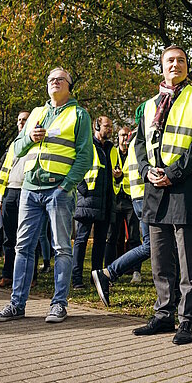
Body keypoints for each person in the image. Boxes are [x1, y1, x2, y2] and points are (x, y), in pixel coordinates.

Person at [0, 66, 92, 324]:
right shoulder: (37, 113)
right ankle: (17, 304)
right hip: (30, 188)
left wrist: (65, 186)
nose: (55, 82)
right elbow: (16, 148)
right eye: (51, 79)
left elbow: (85, 156)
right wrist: (29, 139)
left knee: (61, 248)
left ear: (69, 86)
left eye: (60, 79)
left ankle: (59, 304)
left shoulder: (78, 115)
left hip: (58, 190)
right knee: (22, 246)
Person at [131, 45, 192, 345]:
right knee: (160, 257)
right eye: (170, 61)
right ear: (162, 67)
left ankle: (187, 319)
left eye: (180, 60)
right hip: (154, 186)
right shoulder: (149, 104)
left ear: (187, 67)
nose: (175, 65)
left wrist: (173, 172)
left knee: (187, 259)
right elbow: (139, 143)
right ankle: (164, 314)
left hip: (185, 184)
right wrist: (145, 171)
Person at [92, 126, 149, 306]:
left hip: (138, 197)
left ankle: (174, 293)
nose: (125, 137)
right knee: (151, 245)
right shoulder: (141, 141)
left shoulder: (135, 143)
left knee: (146, 242)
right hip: (140, 197)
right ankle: (108, 272)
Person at [72, 115, 115, 289]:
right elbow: (75, 166)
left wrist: (118, 178)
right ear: (97, 126)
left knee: (100, 242)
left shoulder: (111, 149)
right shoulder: (86, 144)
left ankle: (96, 276)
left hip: (105, 201)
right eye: (107, 126)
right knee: (81, 240)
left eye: (111, 126)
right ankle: (76, 279)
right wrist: (83, 190)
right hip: (87, 200)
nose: (110, 129)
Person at [0, 110, 30, 288]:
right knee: (8, 238)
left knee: (28, 237)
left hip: (27, 191)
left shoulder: (35, 141)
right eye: (20, 120)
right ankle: (7, 275)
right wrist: (0, 199)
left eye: (25, 120)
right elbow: (4, 171)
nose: (22, 122)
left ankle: (29, 277)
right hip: (9, 193)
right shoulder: (13, 145)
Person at [105, 125, 140, 276]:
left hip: (131, 199)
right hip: (116, 199)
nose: (124, 138)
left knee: (133, 237)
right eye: (121, 135)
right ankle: (109, 270)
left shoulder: (135, 151)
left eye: (127, 135)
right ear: (117, 137)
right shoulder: (113, 152)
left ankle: (135, 270)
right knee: (112, 237)